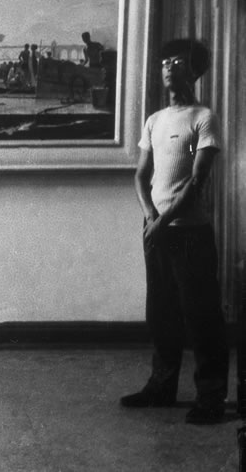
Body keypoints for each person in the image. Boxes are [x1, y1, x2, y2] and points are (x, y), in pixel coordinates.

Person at [122, 38, 229, 425]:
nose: (168, 66)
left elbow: (197, 182)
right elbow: (140, 176)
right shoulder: (154, 120)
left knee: (201, 317)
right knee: (161, 313)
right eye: (165, 61)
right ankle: (161, 388)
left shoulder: (204, 117)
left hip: (189, 234)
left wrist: (162, 222)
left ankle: (211, 398)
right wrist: (151, 216)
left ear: (194, 71)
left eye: (178, 61)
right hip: (156, 229)